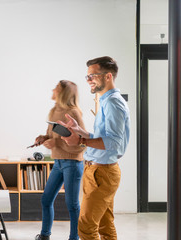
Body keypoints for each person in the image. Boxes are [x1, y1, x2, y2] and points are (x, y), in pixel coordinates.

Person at [60, 56, 130, 240]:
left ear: (108, 76)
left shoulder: (114, 103)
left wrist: (81, 141)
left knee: (86, 227)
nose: (88, 80)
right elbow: (103, 138)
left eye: (93, 76)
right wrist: (81, 131)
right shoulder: (106, 101)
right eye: (87, 76)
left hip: (103, 173)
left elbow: (113, 143)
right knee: (105, 226)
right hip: (95, 170)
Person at [34, 80, 85, 240]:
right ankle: (44, 235)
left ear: (63, 93)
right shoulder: (54, 110)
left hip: (72, 163)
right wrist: (44, 138)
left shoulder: (74, 112)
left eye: (56, 88)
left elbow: (82, 143)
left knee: (72, 205)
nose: (53, 90)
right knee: (46, 199)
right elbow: (53, 134)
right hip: (58, 163)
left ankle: (74, 238)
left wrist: (56, 143)